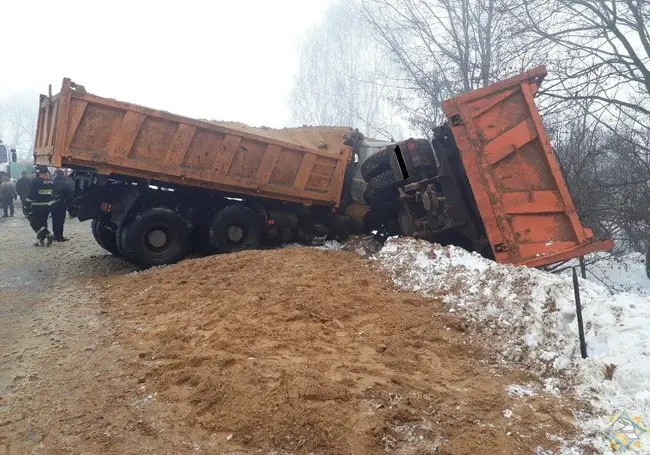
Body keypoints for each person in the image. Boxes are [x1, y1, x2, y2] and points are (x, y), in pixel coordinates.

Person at [24, 167, 55, 247]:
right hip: (47, 206)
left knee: (34, 222)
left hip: (37, 205)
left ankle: (48, 234)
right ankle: (41, 240)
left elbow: (31, 194)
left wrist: (26, 204)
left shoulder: (35, 181)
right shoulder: (50, 181)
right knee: (43, 222)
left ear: (39, 172)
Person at [51, 169, 74, 242]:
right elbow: (71, 191)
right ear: (62, 174)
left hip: (53, 203)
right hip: (61, 203)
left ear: (56, 174)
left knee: (54, 220)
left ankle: (55, 235)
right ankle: (59, 237)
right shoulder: (65, 182)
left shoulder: (52, 181)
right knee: (60, 221)